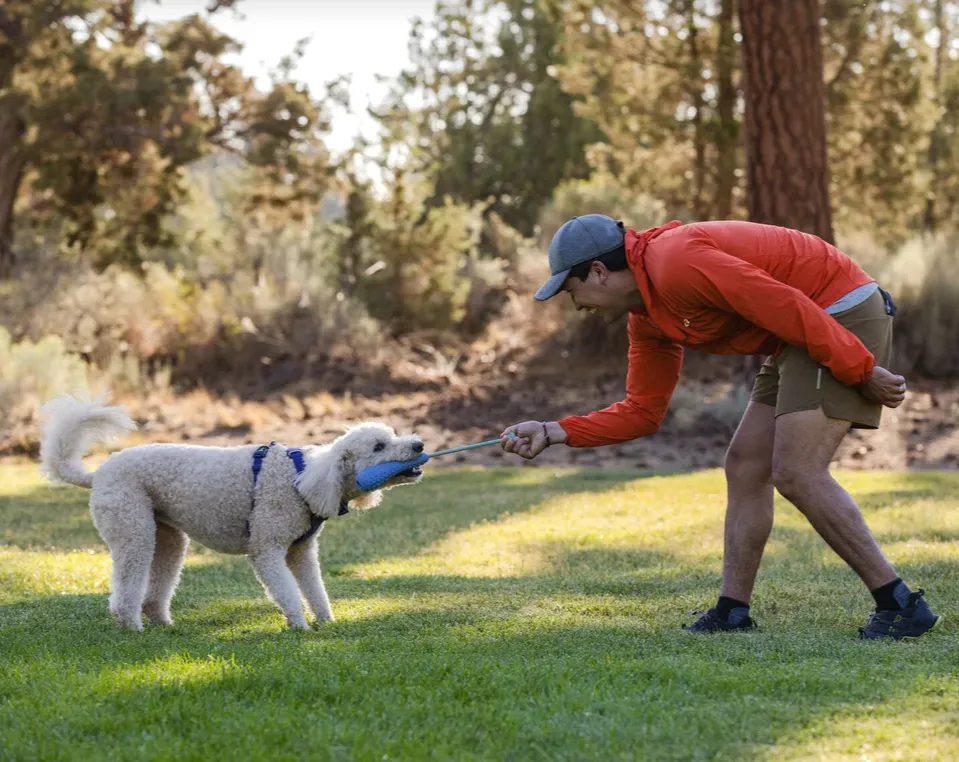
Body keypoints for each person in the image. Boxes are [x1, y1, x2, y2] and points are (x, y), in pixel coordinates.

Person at [499, 214, 942, 640]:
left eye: (571, 290)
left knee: (797, 471)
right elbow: (643, 410)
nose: (576, 305)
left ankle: (900, 604)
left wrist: (861, 369)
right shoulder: (649, 317)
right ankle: (732, 610)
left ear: (598, 271)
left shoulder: (675, 263)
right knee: (746, 463)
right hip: (800, 332)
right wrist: (556, 430)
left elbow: (781, 303)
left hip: (836, 312)